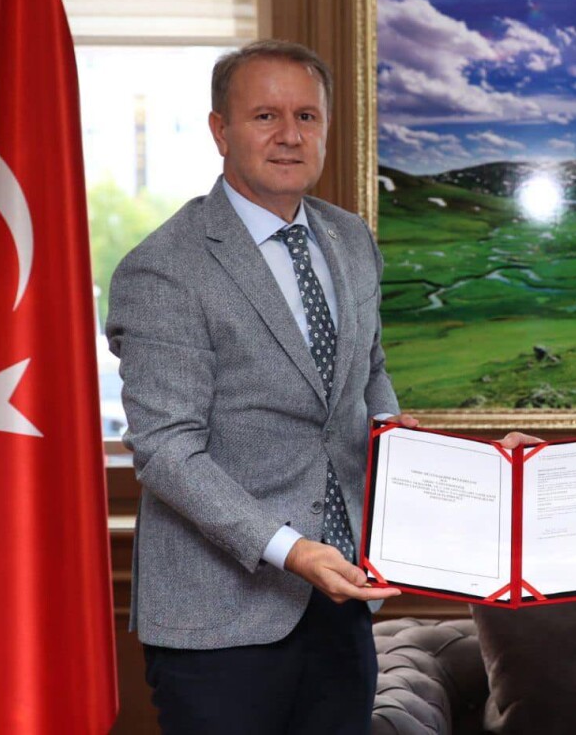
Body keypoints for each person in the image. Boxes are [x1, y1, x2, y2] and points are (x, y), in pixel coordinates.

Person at [106, 39, 412, 734]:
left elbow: (370, 375)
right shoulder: (164, 268)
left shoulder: (351, 239)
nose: (289, 136)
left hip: (344, 600)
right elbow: (167, 451)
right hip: (220, 621)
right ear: (221, 130)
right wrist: (291, 549)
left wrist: (399, 440)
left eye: (306, 116)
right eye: (265, 116)